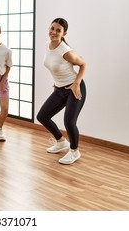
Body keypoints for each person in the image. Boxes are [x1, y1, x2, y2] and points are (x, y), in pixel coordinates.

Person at [36, 18, 87, 165]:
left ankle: (74, 151)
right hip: (60, 89)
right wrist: (57, 81)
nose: (54, 32)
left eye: (58, 30)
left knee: (69, 122)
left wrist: (76, 84)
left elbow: (83, 64)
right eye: (52, 28)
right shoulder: (47, 45)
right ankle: (60, 141)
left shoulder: (65, 51)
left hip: (74, 88)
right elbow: (54, 65)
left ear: (64, 33)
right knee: (42, 116)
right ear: (49, 28)